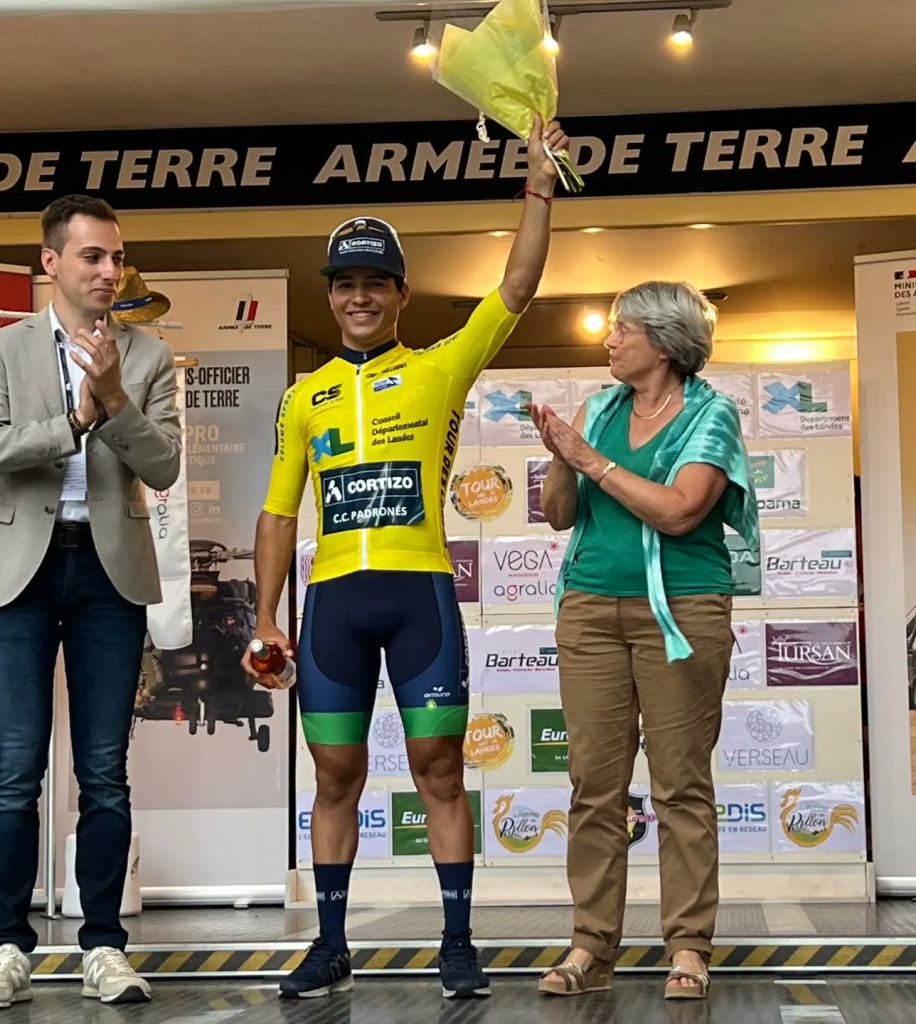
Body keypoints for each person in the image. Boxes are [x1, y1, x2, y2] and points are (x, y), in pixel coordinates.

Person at [242, 114, 568, 1000]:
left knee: (440, 771)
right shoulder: (302, 397)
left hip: (419, 594)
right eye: (344, 284)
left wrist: (538, 185)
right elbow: (276, 514)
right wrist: (265, 616)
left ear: (400, 293)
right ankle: (330, 945)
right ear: (331, 296)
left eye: (374, 283)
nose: (358, 297)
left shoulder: (439, 369)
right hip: (332, 606)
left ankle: (457, 943)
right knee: (335, 776)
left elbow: (517, 285)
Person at [0, 194, 181, 1011]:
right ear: (50, 262)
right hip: (19, 569)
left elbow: (163, 466)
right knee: (15, 769)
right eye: (92, 256)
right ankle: (7, 948)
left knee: (104, 772)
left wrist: (114, 400)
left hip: (107, 574)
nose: (110, 271)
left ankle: (104, 946)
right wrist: (71, 420)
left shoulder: (148, 356)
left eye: (117, 257)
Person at [532, 281, 758, 1002]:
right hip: (589, 608)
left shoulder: (711, 413)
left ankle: (688, 947)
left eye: (622, 329)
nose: (609, 339)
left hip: (684, 611)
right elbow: (558, 515)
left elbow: (682, 511)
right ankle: (590, 946)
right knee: (593, 785)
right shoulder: (596, 409)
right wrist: (561, 456)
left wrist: (591, 460)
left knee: (680, 785)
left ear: (662, 342)